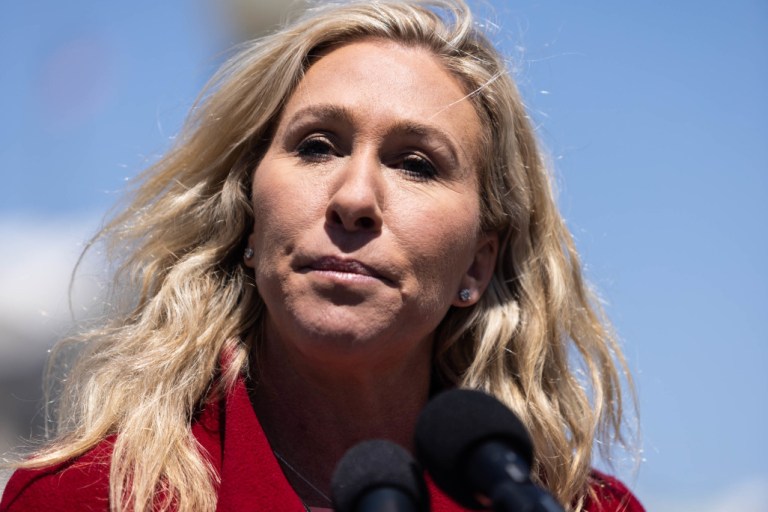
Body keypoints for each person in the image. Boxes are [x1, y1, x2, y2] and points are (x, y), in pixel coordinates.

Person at [0, 1, 643, 511]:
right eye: (316, 146)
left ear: (476, 265)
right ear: (249, 221)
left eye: (415, 164)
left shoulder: (579, 507)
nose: (354, 197)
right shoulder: (83, 499)